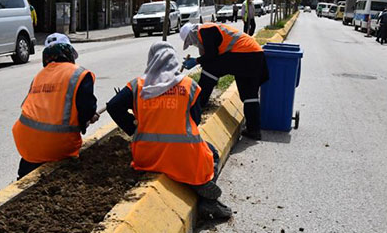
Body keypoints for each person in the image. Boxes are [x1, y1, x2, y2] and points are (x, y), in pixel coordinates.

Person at [107, 42, 232, 220]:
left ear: (151, 60)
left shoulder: (137, 85)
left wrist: (134, 129)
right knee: (212, 153)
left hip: (147, 156)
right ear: (173, 62)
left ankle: (195, 186)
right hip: (184, 156)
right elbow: (195, 121)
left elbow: (113, 106)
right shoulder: (189, 85)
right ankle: (207, 198)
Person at [12, 33, 98, 180]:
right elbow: (86, 109)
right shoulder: (79, 74)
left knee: (27, 174)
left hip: (26, 144)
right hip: (58, 145)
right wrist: (90, 117)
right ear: (69, 53)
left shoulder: (39, 76)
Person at [179, 22, 268, 140]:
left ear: (192, 33)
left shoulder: (205, 30)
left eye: (191, 41)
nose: (193, 44)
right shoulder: (208, 31)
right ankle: (254, 130)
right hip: (255, 55)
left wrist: (196, 61)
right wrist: (201, 59)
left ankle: (199, 103)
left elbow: (212, 55)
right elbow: (213, 53)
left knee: (210, 69)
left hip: (244, 54)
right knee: (249, 94)